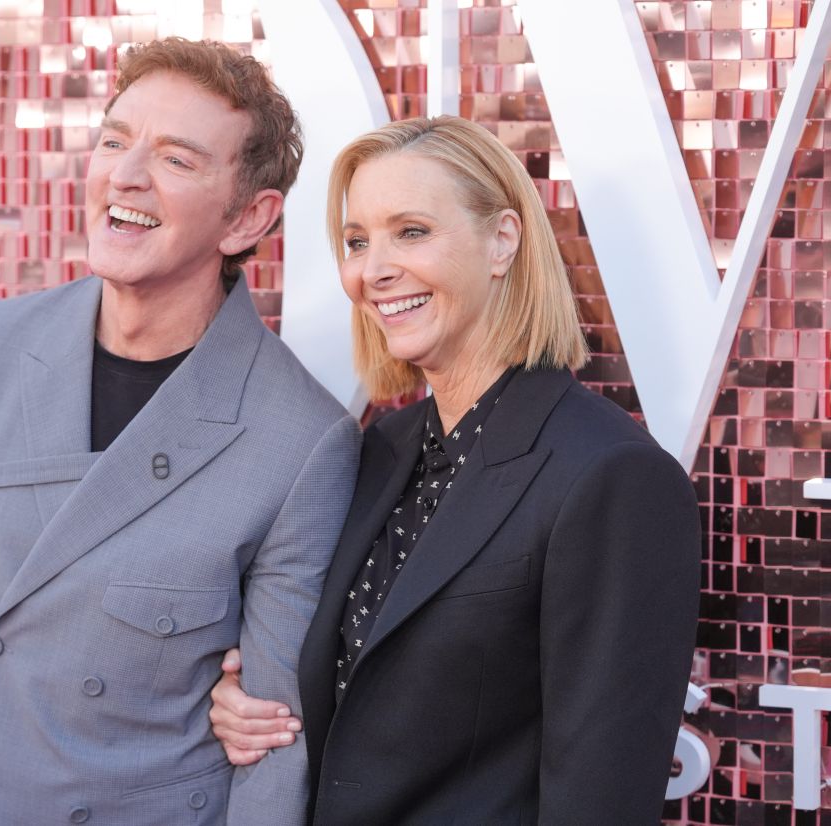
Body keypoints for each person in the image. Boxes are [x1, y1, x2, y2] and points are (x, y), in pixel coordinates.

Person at [0, 38, 361, 826]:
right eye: (114, 139)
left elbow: (271, 745)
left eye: (176, 158)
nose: (125, 174)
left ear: (247, 218)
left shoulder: (300, 442)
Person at [207, 116, 701, 824]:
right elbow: (357, 692)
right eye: (356, 241)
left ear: (502, 241)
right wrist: (246, 705)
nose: (373, 270)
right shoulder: (376, 453)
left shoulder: (613, 477)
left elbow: (601, 798)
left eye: (411, 231)